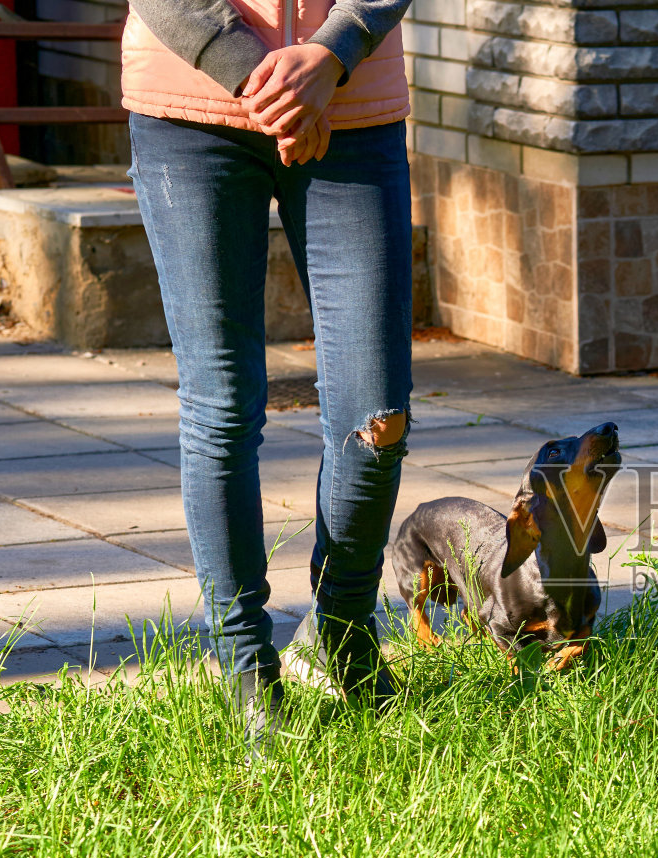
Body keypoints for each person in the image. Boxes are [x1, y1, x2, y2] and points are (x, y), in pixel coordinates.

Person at [121, 0, 414, 744]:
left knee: (377, 414)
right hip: (189, 109)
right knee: (222, 406)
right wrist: (265, 80)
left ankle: (342, 630)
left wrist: (333, 52)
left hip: (353, 107)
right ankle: (247, 667)